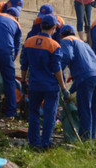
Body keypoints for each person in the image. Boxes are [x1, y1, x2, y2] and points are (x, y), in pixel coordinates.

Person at [21, 14, 70, 149]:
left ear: (41, 26)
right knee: (49, 115)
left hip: (34, 85)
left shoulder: (29, 42)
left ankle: (33, 142)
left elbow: (24, 64)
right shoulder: (54, 46)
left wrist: (24, 81)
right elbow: (57, 69)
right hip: (50, 87)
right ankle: (45, 143)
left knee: (34, 114)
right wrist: (64, 88)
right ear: (54, 28)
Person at [59, 24, 96, 140]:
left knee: (84, 110)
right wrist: (70, 91)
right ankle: (91, 141)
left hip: (87, 77)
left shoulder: (66, 40)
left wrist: (58, 71)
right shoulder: (83, 43)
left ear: (61, 35)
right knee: (94, 110)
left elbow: (67, 56)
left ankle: (84, 140)